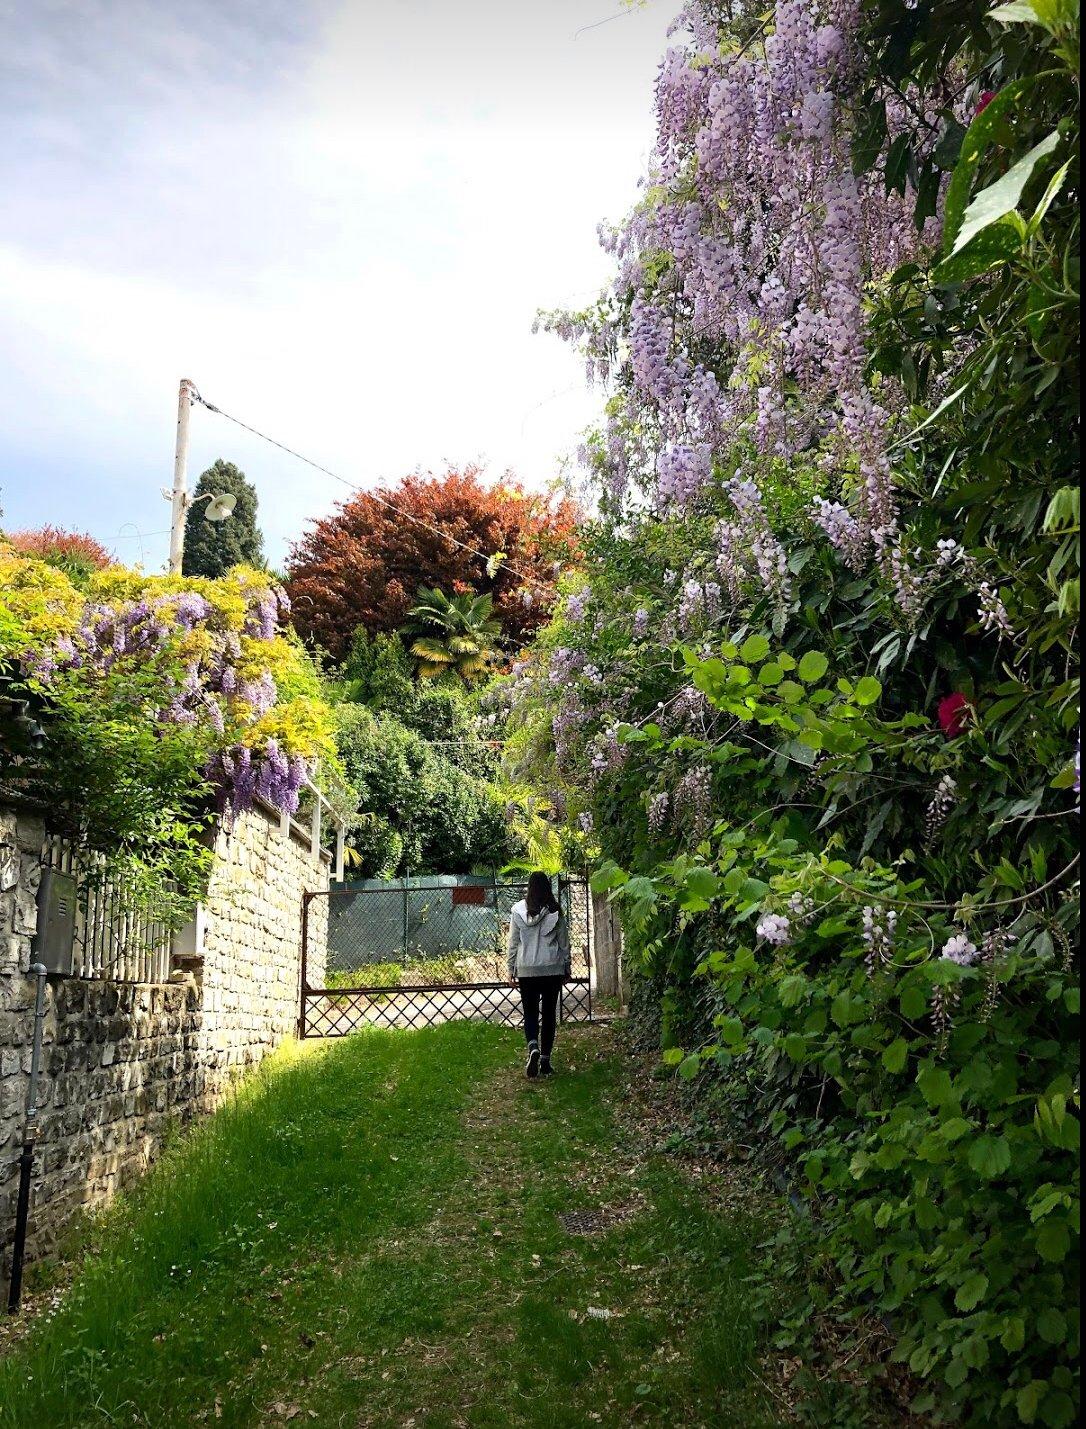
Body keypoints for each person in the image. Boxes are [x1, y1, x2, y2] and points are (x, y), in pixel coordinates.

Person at [507, 872, 571, 1078]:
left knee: (530, 1012)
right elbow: (564, 943)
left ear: (529, 888)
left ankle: (532, 1046)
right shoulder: (556, 911)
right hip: (551, 969)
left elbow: (513, 943)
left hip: (527, 969)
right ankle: (545, 1060)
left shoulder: (517, 911)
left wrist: (511, 969)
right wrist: (567, 967)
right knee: (550, 1014)